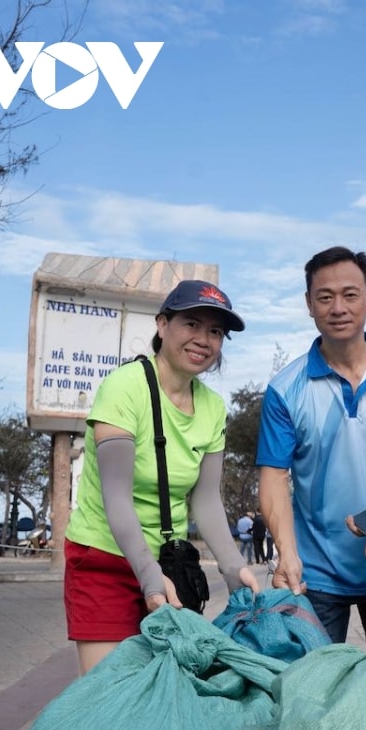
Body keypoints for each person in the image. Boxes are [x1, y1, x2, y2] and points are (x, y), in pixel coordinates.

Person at [63, 279, 260, 675]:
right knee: (110, 691)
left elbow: (205, 500)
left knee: (170, 690)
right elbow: (116, 497)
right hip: (105, 557)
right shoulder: (124, 387)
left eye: (215, 331)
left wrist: (233, 566)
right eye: (192, 324)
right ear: (162, 324)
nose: (203, 339)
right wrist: (149, 579)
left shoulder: (213, 408)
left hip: (168, 565)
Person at [256, 246, 366, 654]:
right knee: (314, 693)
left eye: (350, 294)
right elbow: (273, 477)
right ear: (309, 304)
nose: (338, 307)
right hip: (314, 575)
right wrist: (286, 554)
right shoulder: (285, 389)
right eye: (325, 297)